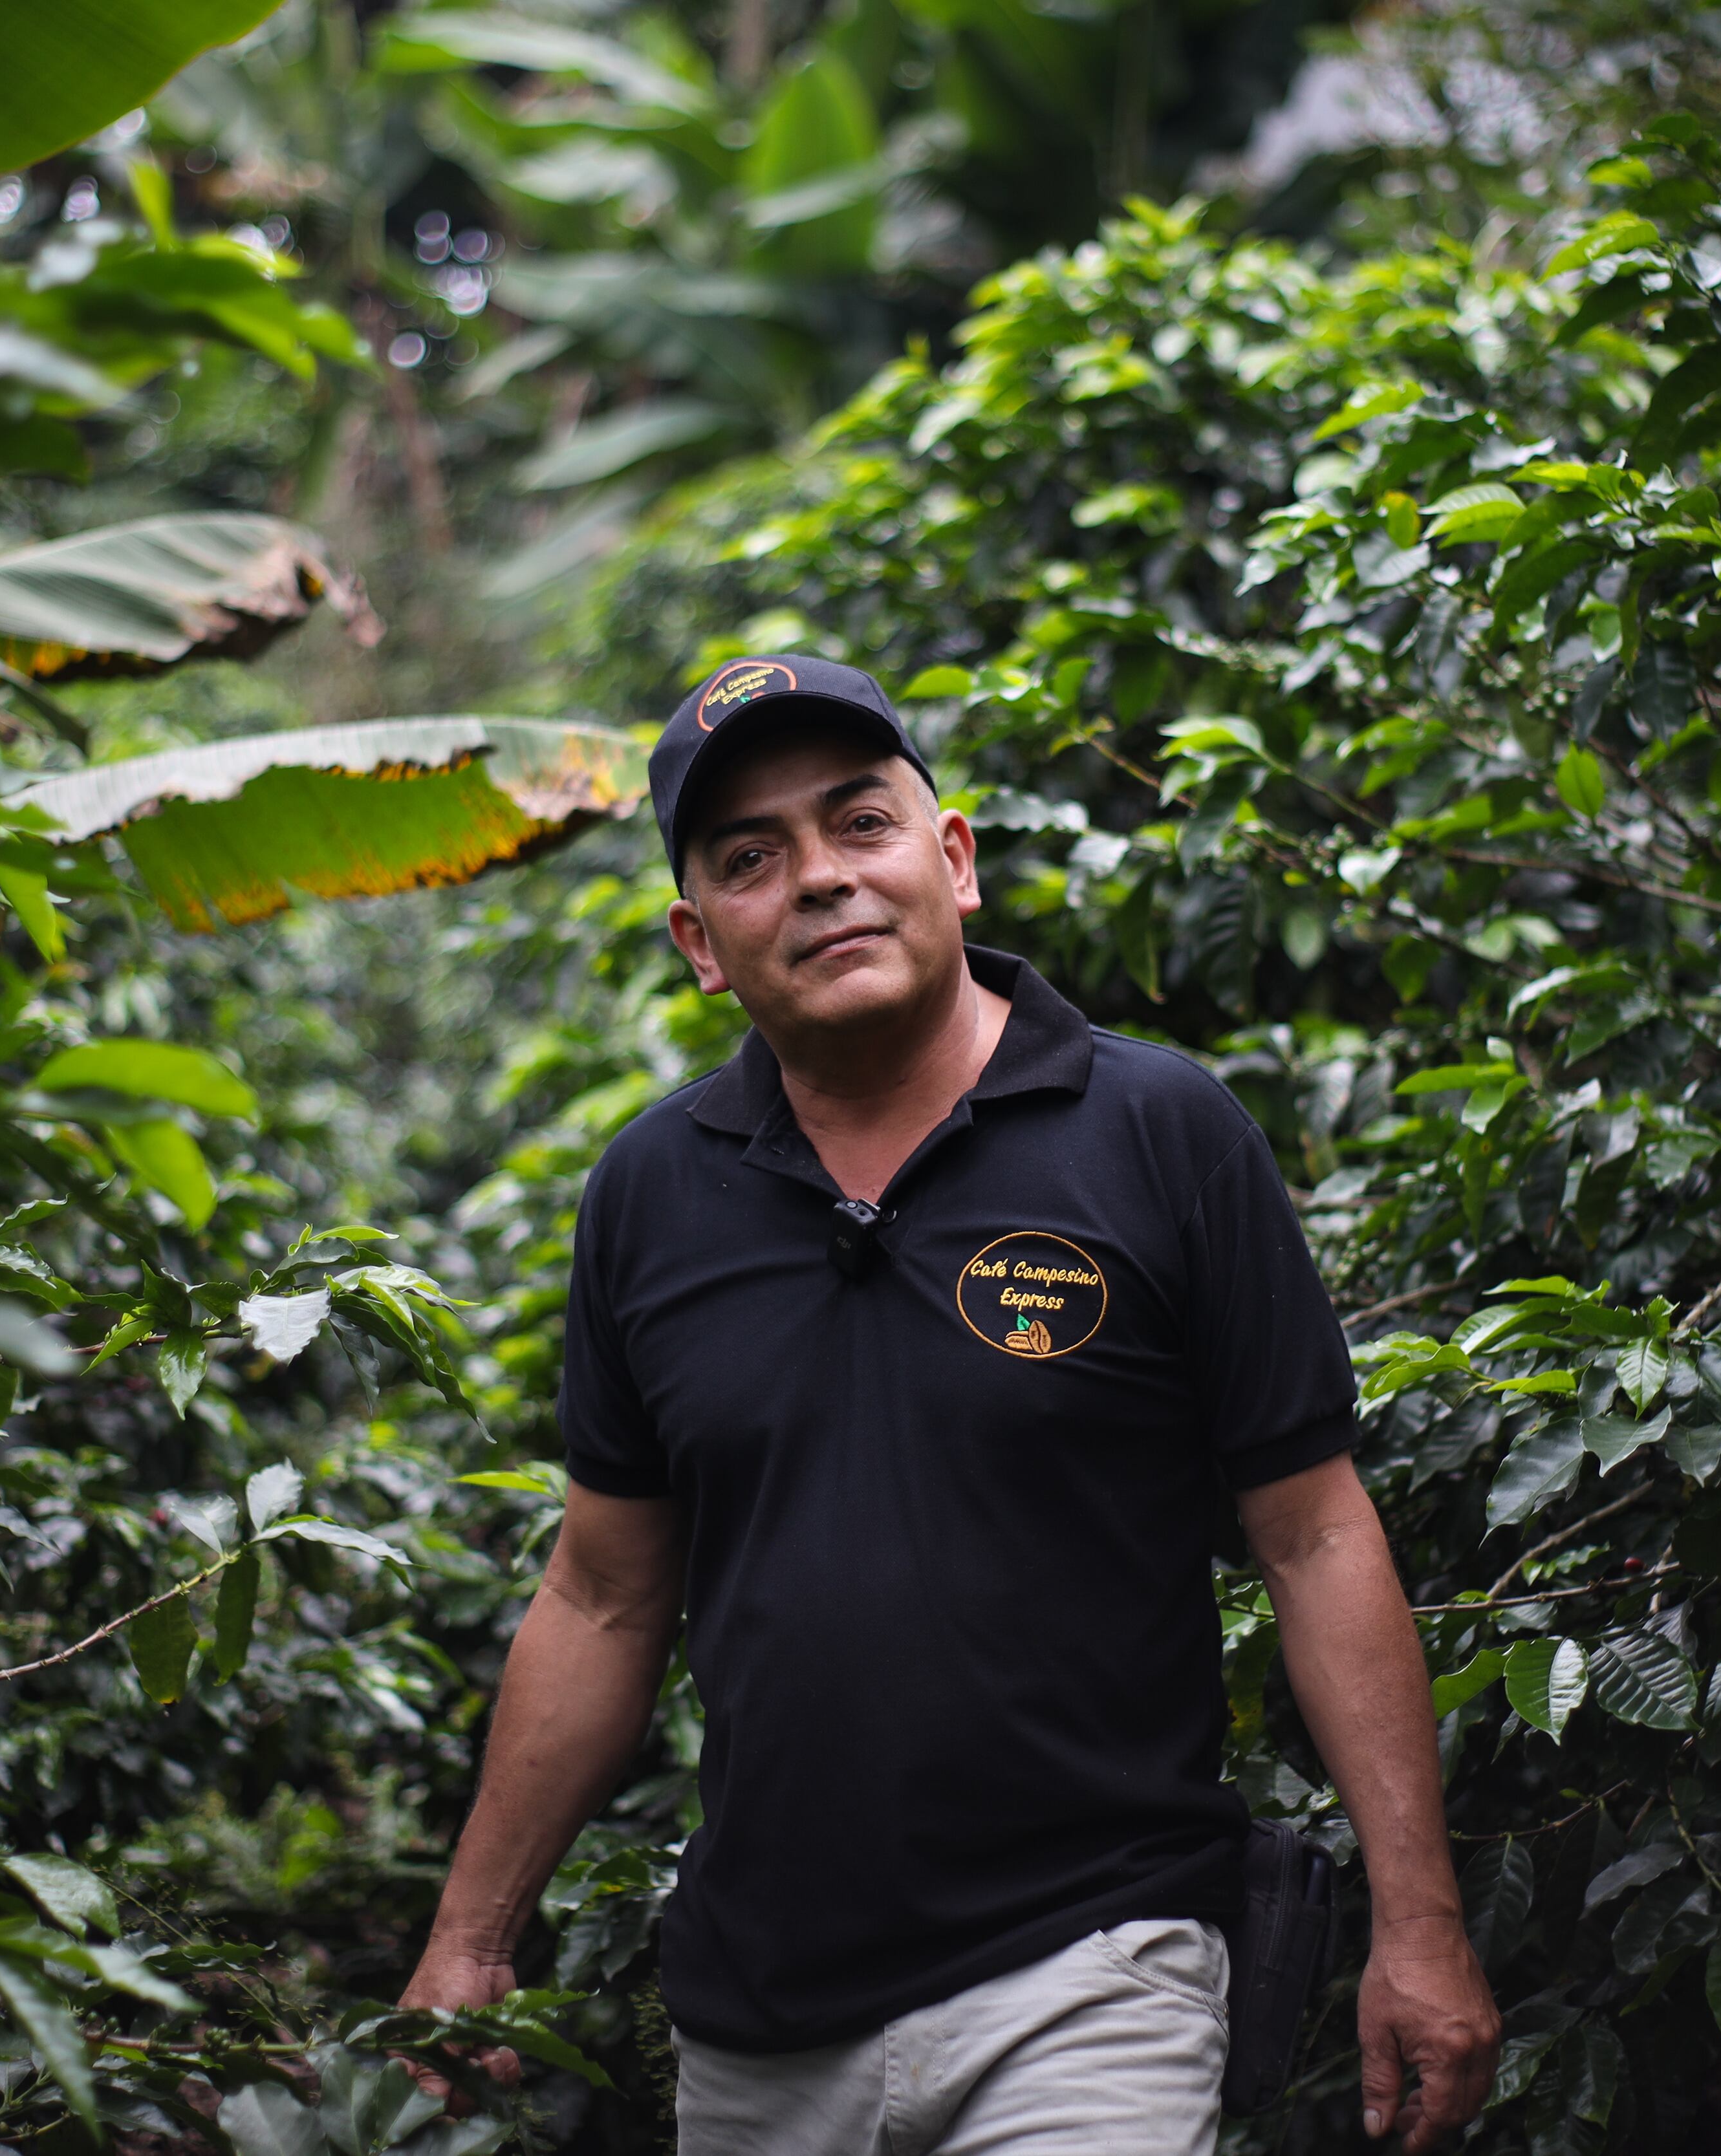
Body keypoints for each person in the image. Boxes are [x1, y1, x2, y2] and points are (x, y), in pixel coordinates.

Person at [398, 656, 1499, 2154]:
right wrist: (470, 1939)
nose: (819, 880)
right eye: (749, 857)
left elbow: (1311, 1535)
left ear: (954, 858)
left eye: (859, 823)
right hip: (758, 2022)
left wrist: (1418, 1926)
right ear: (699, 943)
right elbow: (600, 1597)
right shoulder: (651, 1195)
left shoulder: (1158, 1131)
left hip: (1093, 1969)